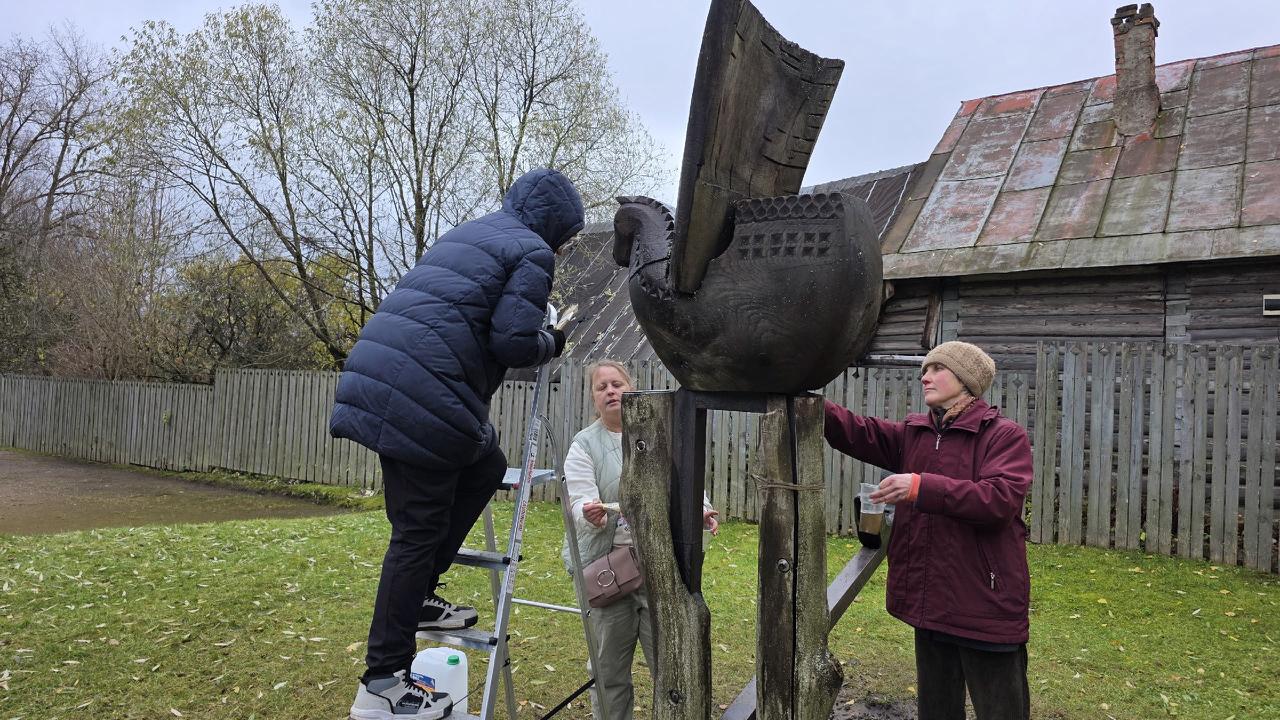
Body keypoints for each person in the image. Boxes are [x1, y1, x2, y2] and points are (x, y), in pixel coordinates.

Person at [331, 167, 584, 720]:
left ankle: (420, 596)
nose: (561, 251)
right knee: (415, 534)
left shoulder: (471, 233)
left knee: (487, 461)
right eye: (565, 241)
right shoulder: (533, 253)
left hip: (383, 379)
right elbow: (513, 340)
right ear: (556, 229)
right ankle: (383, 683)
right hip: (423, 396)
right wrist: (555, 340)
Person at [823, 341, 1033, 720]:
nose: (926, 376)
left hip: (984, 603)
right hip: (931, 601)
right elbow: (856, 432)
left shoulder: (1003, 436)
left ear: (967, 382)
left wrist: (920, 487)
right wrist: (803, 397)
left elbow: (999, 501)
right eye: (926, 369)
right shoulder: (915, 434)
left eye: (938, 369)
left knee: (1002, 710)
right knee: (936, 711)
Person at [561, 359, 719, 720]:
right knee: (608, 671)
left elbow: (687, 484)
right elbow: (579, 501)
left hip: (660, 567)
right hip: (608, 571)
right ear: (593, 398)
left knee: (668, 662)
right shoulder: (584, 446)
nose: (611, 391)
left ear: (631, 388)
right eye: (602, 387)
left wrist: (702, 509)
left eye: (617, 384)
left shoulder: (657, 434)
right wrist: (587, 512)